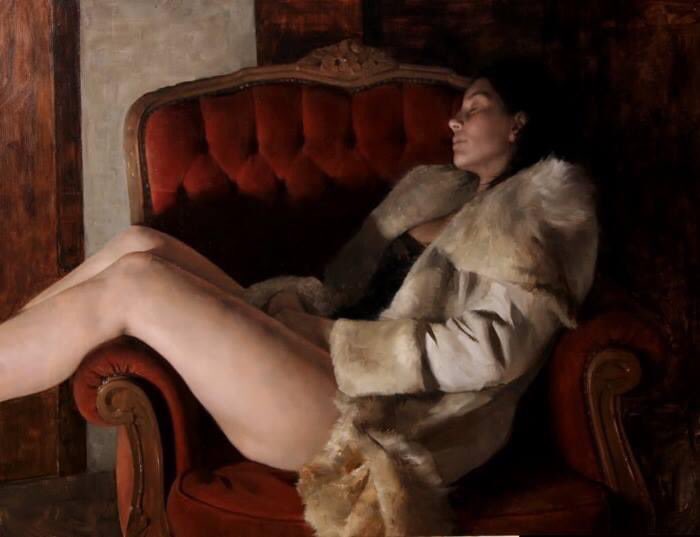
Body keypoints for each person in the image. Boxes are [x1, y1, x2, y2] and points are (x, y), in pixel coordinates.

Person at [0, 58, 596, 492]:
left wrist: (330, 338)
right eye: (459, 109)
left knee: (137, 282)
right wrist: (300, 309)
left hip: (380, 419)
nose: (455, 121)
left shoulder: (537, 214)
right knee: (140, 244)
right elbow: (347, 290)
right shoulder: (443, 191)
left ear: (518, 123)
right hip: (318, 360)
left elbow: (491, 351)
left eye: (476, 108)